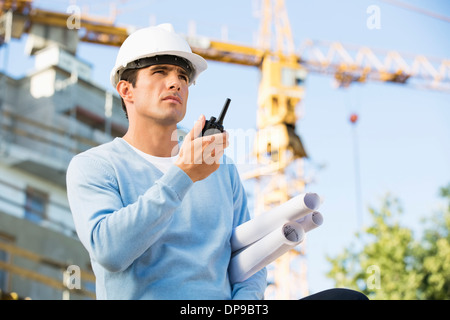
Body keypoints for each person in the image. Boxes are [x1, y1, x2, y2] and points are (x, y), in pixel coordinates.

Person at [66, 23, 267, 300]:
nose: (176, 83)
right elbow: (110, 252)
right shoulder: (95, 166)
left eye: (183, 76)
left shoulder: (222, 169)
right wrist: (183, 174)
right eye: (160, 72)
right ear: (126, 90)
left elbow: (248, 257)